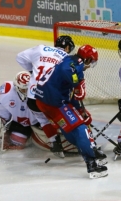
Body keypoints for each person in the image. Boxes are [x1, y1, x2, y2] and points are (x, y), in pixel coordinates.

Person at [34, 45, 106, 179]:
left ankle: (87, 149)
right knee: (81, 128)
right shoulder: (76, 65)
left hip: (42, 101)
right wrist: (77, 83)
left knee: (67, 128)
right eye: (91, 62)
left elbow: (71, 95)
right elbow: (68, 73)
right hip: (54, 102)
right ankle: (91, 163)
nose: (90, 65)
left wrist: (80, 110)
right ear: (87, 59)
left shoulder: (68, 59)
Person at [15, 36, 74, 158]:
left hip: (32, 97)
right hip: (50, 96)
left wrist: (32, 71)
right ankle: (76, 140)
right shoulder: (67, 58)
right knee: (61, 115)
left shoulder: (41, 49)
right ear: (67, 47)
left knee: (43, 120)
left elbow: (19, 57)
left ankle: (54, 142)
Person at [0, 71, 38, 150]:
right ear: (16, 87)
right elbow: (2, 113)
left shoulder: (39, 91)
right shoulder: (6, 92)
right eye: (23, 89)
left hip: (38, 123)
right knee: (16, 141)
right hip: (19, 124)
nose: (26, 92)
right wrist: (0, 124)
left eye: (28, 89)